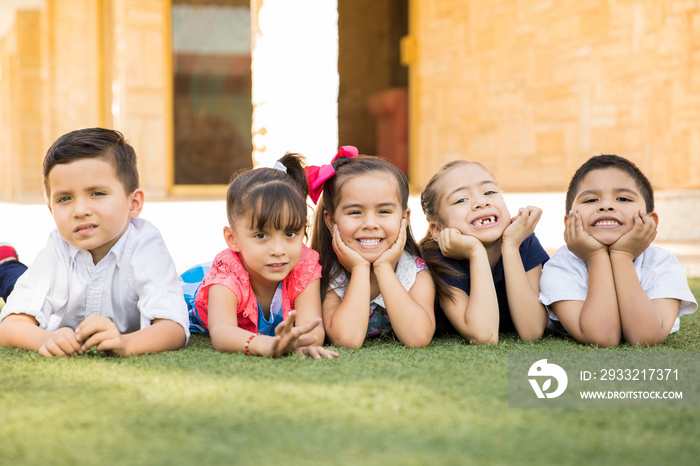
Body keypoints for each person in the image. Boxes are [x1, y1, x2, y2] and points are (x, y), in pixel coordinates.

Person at [0, 128, 189, 357]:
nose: (80, 210)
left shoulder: (145, 245)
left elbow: (173, 328)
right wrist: (46, 338)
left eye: (97, 193)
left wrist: (126, 343)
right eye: (65, 198)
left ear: (134, 203)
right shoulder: (58, 247)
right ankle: (6, 261)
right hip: (42, 285)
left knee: (16, 279)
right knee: (13, 283)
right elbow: (10, 326)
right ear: (51, 209)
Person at [188, 153, 338, 359]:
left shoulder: (304, 264)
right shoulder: (226, 272)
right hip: (198, 291)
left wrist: (302, 342)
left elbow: (312, 326)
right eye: (261, 235)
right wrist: (265, 344)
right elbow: (222, 333)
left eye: (290, 233)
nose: (278, 249)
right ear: (232, 239)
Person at [539, 154, 697, 347]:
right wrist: (596, 256)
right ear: (569, 222)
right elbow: (603, 337)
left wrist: (622, 255)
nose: (606, 206)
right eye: (590, 200)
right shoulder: (561, 265)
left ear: (650, 221)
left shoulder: (661, 262)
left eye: (623, 198)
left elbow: (646, 336)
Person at [309, 146, 435, 348]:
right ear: (331, 221)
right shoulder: (325, 275)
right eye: (355, 212)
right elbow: (347, 339)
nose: (370, 223)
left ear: (404, 218)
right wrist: (359, 268)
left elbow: (418, 338)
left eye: (384, 211)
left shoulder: (415, 272)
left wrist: (384, 267)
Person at [419, 160, 549, 344]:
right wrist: (476, 252)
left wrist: (510, 245)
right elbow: (484, 336)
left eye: (489, 192)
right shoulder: (437, 257)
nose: (481, 202)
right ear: (438, 230)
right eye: (461, 199)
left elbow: (532, 331)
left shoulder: (521, 241)